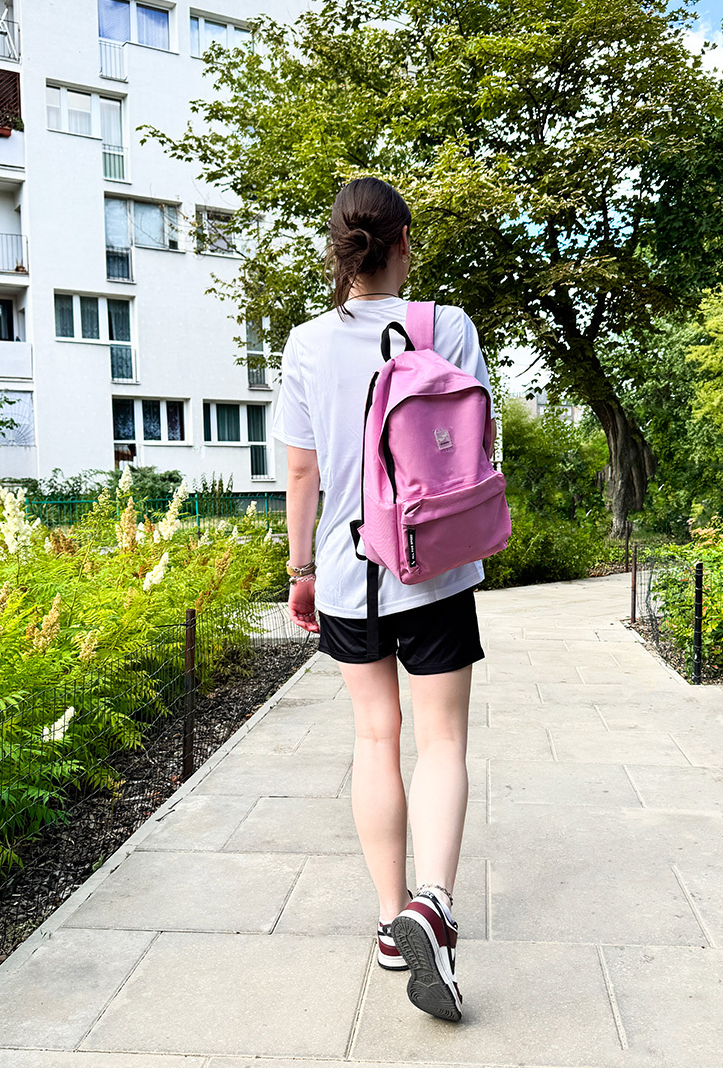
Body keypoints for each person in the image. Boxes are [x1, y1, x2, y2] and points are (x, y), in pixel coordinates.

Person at [272, 176, 493, 1022]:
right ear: (404, 241)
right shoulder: (449, 326)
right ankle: (432, 903)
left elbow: (302, 470)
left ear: (339, 250)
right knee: (442, 739)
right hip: (434, 566)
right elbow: (478, 441)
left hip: (344, 569)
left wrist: (300, 569)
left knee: (375, 735)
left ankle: (389, 920)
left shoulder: (305, 343)